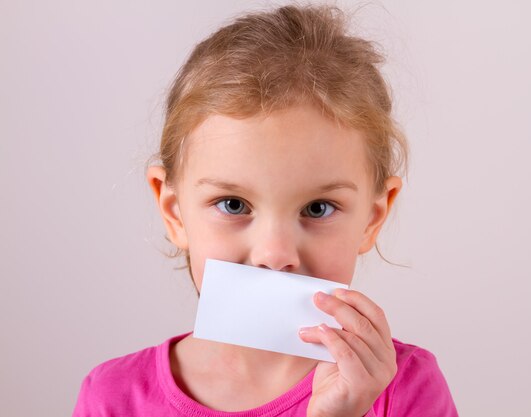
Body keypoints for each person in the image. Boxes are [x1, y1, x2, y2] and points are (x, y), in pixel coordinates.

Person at [72, 3, 459, 416]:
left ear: (372, 218)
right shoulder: (113, 398)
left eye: (318, 208)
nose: (275, 254)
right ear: (173, 211)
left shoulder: (405, 389)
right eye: (233, 204)